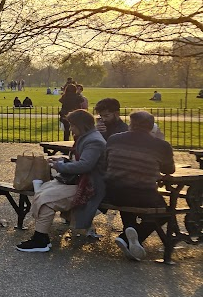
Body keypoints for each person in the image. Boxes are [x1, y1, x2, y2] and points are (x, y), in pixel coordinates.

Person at [16, 110, 106, 252]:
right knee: (43, 191)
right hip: (79, 181)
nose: (70, 129)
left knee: (46, 199)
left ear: (81, 125)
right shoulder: (87, 137)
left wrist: (60, 166)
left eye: (72, 125)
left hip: (89, 185)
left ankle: (40, 240)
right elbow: (81, 161)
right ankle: (41, 238)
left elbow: (85, 165)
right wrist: (63, 160)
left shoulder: (94, 141)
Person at [103, 111, 176, 261]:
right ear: (151, 127)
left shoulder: (114, 139)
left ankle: (130, 231)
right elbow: (169, 170)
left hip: (113, 193)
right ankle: (132, 235)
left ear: (131, 124)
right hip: (143, 195)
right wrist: (161, 143)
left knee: (125, 190)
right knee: (166, 212)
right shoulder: (160, 145)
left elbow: (106, 162)